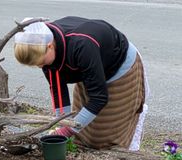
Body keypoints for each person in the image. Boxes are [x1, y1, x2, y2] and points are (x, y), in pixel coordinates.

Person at [14, 16, 149, 150]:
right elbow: (58, 90)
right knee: (82, 134)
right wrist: (62, 124)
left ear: (50, 46)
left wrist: (68, 130)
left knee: (102, 137)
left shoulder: (82, 45)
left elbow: (99, 98)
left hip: (118, 68)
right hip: (88, 70)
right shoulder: (45, 48)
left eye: (41, 63)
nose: (40, 67)